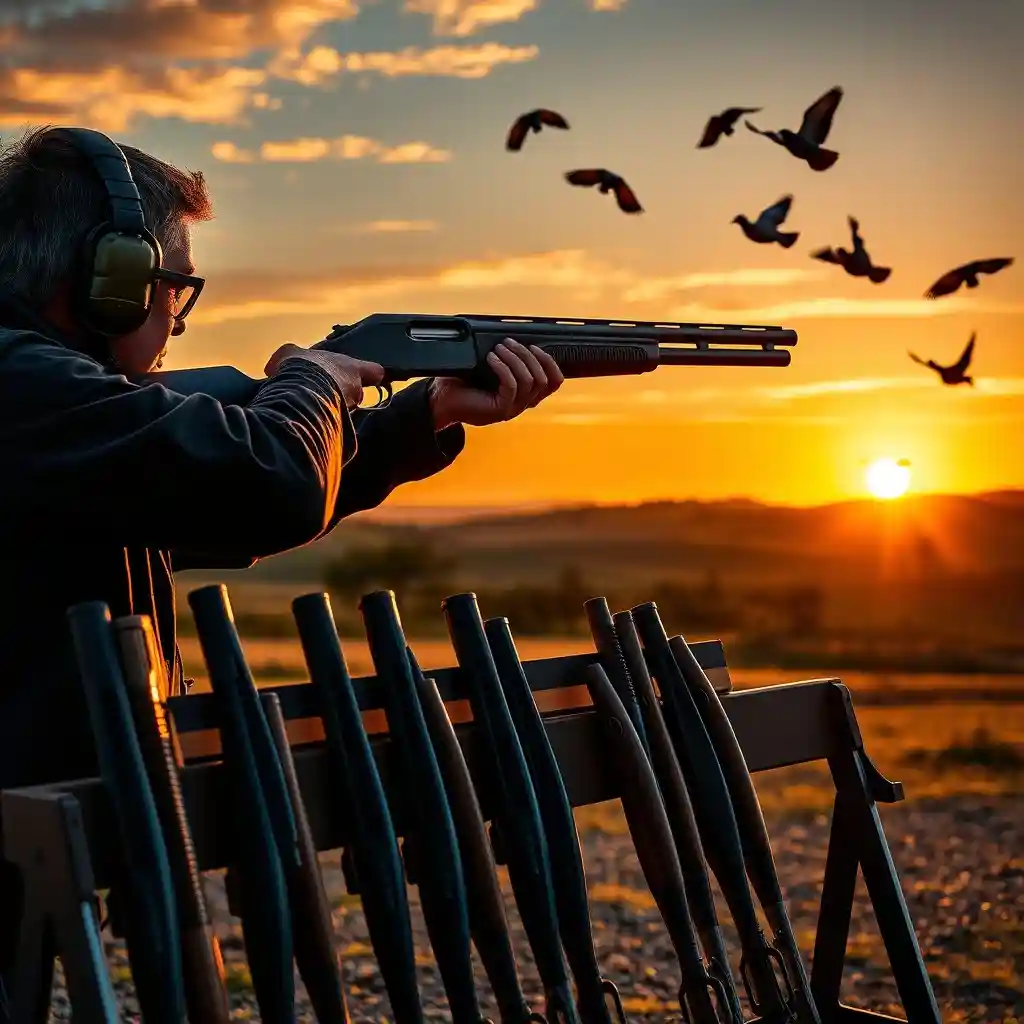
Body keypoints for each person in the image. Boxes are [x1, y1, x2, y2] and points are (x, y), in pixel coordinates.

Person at [0, 125, 564, 791]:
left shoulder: (54, 407)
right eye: (176, 285)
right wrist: (317, 379)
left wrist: (427, 412)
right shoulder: (19, 382)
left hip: (64, 822)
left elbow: (222, 495)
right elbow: (269, 482)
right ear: (111, 280)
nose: (178, 321)